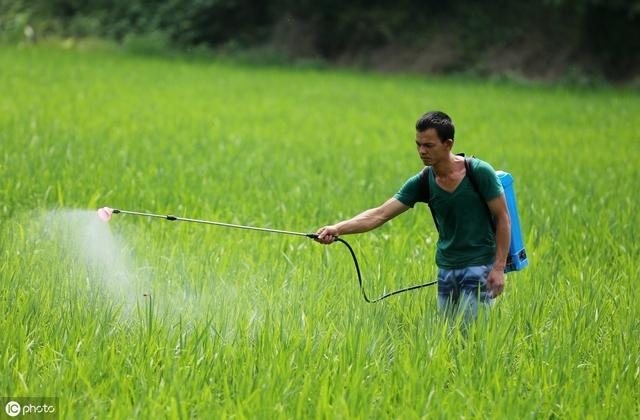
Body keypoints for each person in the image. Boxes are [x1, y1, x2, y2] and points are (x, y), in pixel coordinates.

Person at [316, 111, 510, 321]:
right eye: (418, 144)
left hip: (479, 265)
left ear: (448, 144)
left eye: (428, 145)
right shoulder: (424, 180)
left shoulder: (479, 172)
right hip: (446, 267)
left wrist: (498, 268)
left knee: (472, 337)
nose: (421, 151)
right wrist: (338, 228)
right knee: (450, 335)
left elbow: (503, 218)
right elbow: (379, 214)